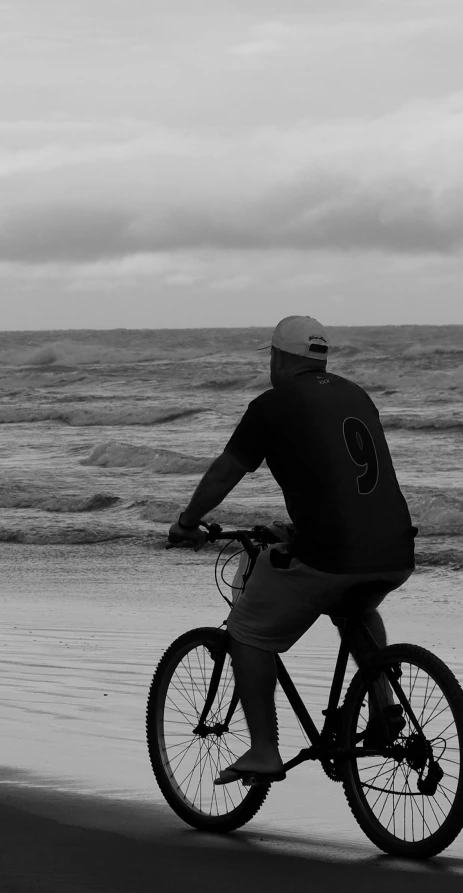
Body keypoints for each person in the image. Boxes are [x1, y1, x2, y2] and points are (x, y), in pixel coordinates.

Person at [167, 316, 416, 784]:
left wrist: (187, 523)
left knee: (247, 632)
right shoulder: (355, 395)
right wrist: (298, 529)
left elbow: (226, 472)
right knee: (356, 608)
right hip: (396, 547)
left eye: (271, 357)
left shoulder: (272, 405)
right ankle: (383, 707)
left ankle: (263, 751)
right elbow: (345, 482)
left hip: (334, 551)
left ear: (280, 358)